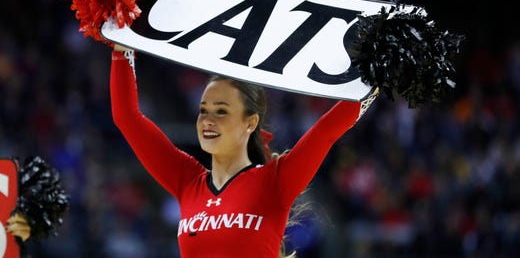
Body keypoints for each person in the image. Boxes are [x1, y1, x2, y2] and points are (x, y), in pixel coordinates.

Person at [110, 44, 379, 257]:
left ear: (249, 123)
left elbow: (326, 131)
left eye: (221, 111)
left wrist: (377, 77)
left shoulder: (274, 181)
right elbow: (127, 118)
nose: (207, 121)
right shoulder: (187, 180)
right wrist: (122, 47)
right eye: (203, 111)